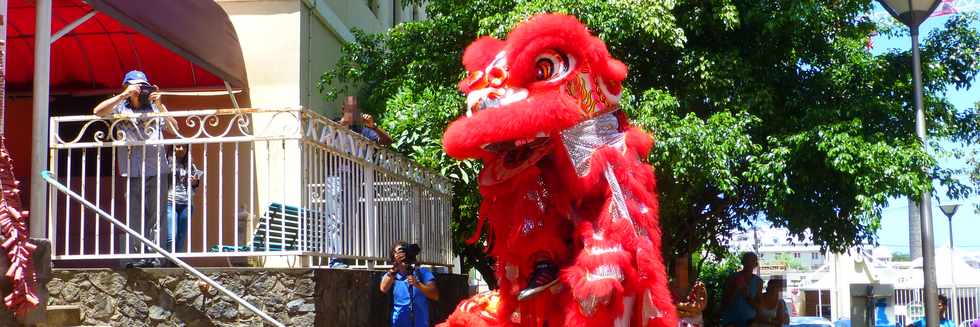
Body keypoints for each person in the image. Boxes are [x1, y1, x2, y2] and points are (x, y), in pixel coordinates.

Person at [93, 70, 178, 268]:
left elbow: (175, 129)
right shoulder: (120, 106)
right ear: (127, 86)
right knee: (135, 215)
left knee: (157, 215)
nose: (140, 90)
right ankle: (137, 256)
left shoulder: (155, 108)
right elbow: (97, 112)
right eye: (136, 86)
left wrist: (160, 104)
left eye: (143, 86)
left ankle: (157, 256)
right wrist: (124, 95)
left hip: (157, 168)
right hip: (132, 169)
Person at [380, 241, 439, 327]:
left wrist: (418, 284)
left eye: (404, 251)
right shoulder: (392, 274)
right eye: (399, 252)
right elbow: (383, 288)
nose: (402, 255)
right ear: (393, 255)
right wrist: (395, 267)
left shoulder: (422, 273)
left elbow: (435, 295)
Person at [165, 144, 203, 253]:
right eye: (178, 146)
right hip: (170, 201)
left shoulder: (190, 165)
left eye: (184, 147)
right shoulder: (166, 163)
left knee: (181, 237)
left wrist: (194, 181)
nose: (181, 149)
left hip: (186, 203)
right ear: (172, 148)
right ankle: (169, 261)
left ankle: (177, 264)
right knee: (172, 236)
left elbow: (195, 184)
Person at [720, 252, 764, 327]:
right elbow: (724, 302)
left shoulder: (758, 281)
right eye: (747, 260)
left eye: (752, 261)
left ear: (755, 264)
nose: (749, 264)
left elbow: (759, 307)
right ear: (743, 262)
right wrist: (735, 289)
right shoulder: (732, 278)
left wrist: (748, 298)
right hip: (731, 321)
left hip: (749, 322)